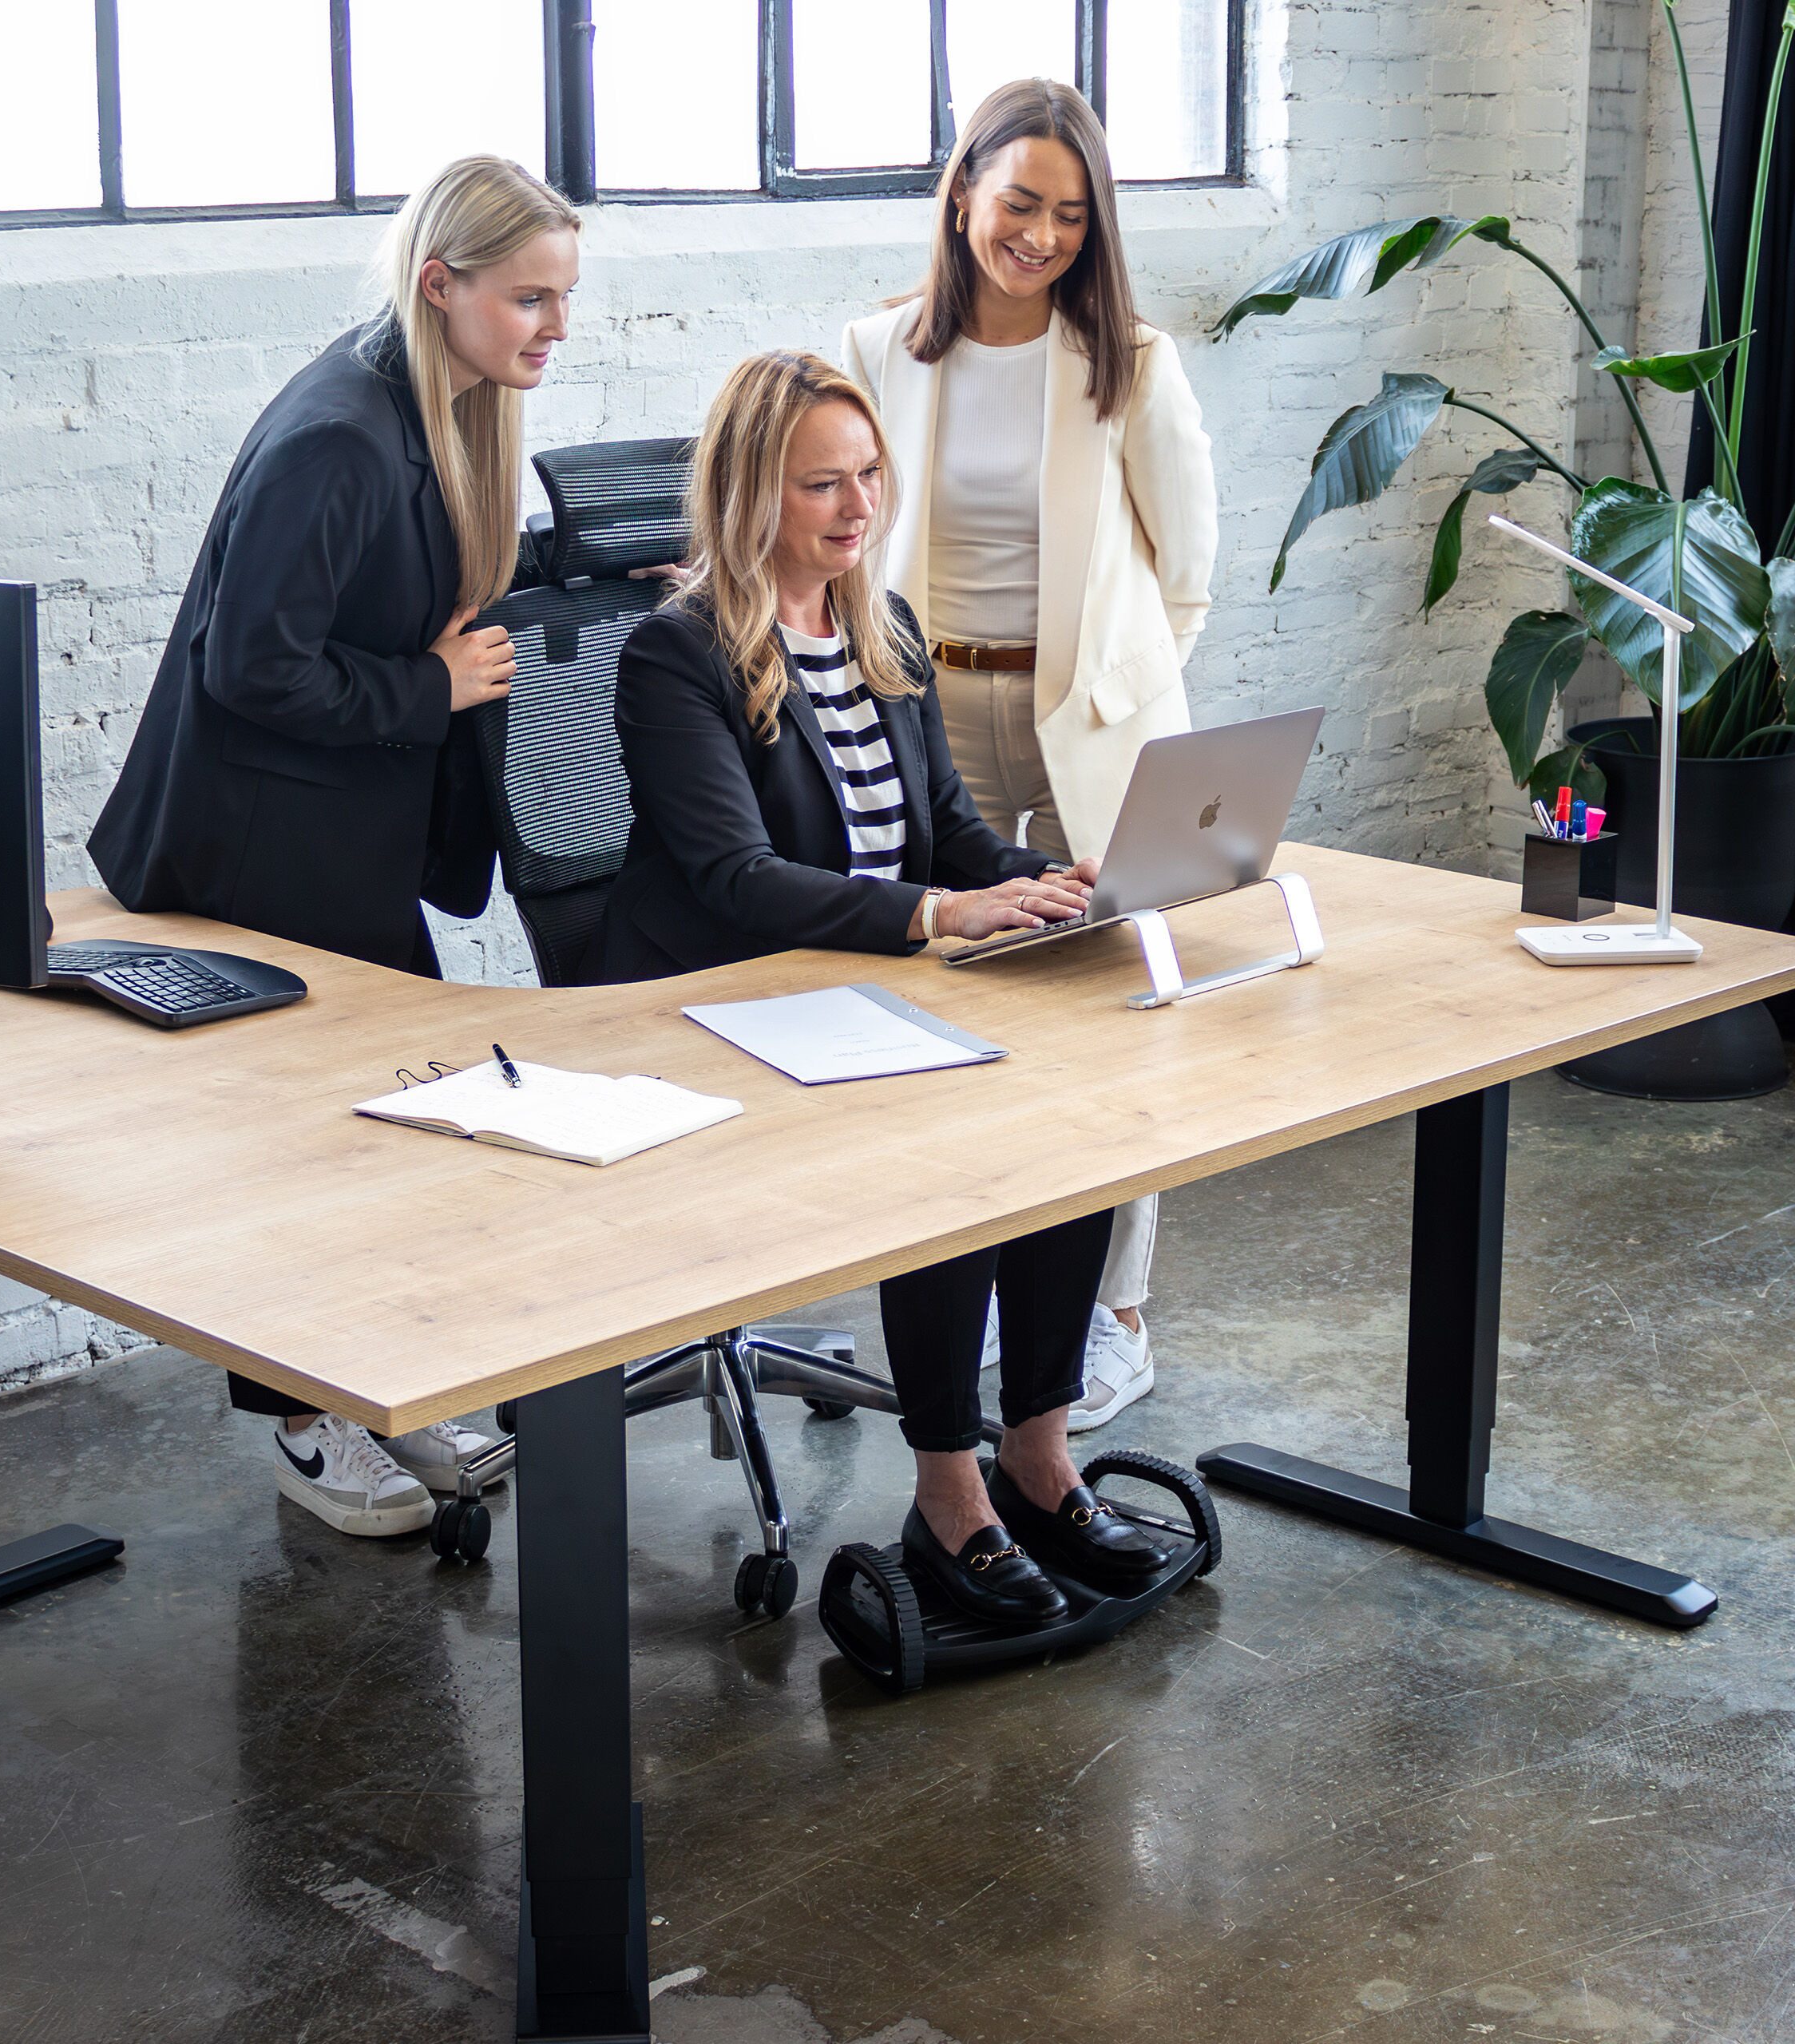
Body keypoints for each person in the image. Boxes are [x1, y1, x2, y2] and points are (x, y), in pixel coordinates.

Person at [591, 351, 1175, 1626]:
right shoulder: (673, 655)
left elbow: (954, 833)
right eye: (821, 487)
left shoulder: (882, 626)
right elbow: (735, 879)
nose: (857, 510)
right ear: (752, 496)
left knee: (1065, 1120)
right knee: (954, 1147)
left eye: (870, 477)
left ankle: (1040, 1456)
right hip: (720, 999)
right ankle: (948, 1495)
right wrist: (935, 916)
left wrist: (1054, 882)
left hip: (866, 987)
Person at [88, 156, 581, 1539]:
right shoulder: (336, 437)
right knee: (290, 1156)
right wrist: (427, 690)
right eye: (530, 299)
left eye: (565, 300)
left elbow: (410, 588)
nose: (555, 328)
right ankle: (308, 1429)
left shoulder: (436, 406)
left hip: (333, 841)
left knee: (361, 1137)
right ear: (445, 287)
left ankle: (368, 1397)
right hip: (253, 849)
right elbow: (250, 667)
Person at [839, 79, 1218, 1434]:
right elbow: (850, 536)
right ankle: (970, 1301)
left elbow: (1187, 576)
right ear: (962, 197)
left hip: (1089, 729)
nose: (1041, 235)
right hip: (927, 716)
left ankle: (1111, 1317)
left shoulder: (1132, 362)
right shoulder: (881, 347)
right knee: (957, 1004)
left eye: (1069, 214)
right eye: (1018, 204)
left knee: (1113, 1009)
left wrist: (1108, 684)